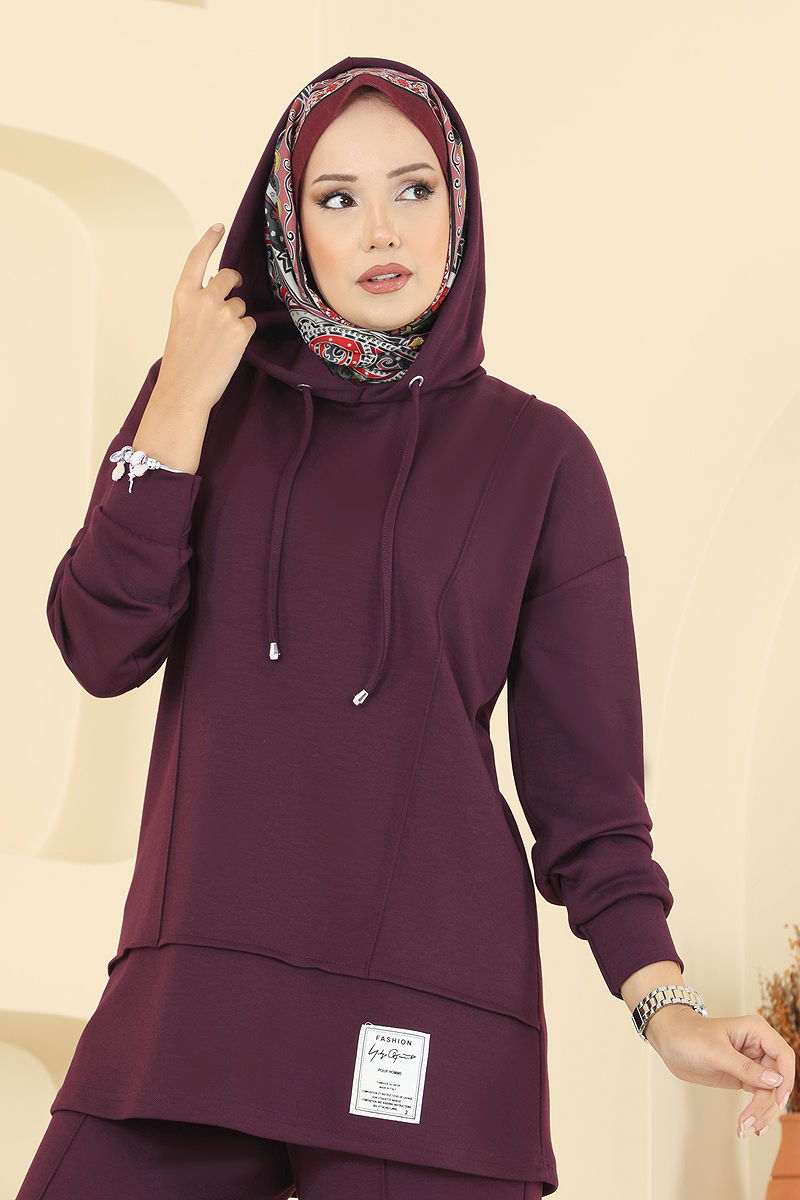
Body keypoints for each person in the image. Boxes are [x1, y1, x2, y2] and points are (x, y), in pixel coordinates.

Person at [15, 53, 796, 1200]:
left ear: (457, 206)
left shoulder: (537, 460)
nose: (381, 228)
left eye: (413, 188)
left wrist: (663, 1006)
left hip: (428, 1017)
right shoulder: (201, 403)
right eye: (336, 197)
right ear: (287, 225)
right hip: (194, 1008)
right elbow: (99, 645)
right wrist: (178, 393)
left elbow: (585, 799)